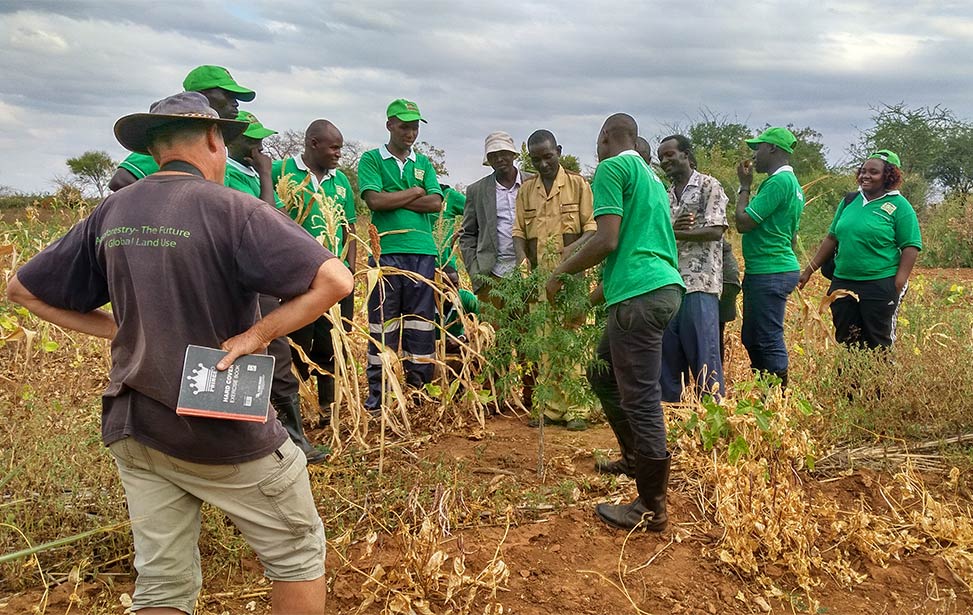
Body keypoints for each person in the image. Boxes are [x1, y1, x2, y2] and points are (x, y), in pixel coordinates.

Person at [7, 91, 354, 614]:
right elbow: (335, 279)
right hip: (220, 422)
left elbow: (22, 291)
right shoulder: (235, 208)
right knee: (298, 553)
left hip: (136, 422)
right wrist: (256, 336)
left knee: (163, 584)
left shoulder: (113, 210)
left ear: (154, 149)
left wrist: (118, 327)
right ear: (215, 141)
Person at [546, 113, 683, 531]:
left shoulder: (612, 167)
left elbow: (608, 240)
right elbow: (632, 252)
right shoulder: (650, 178)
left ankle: (650, 506)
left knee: (640, 398)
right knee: (601, 373)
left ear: (605, 137)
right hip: (658, 289)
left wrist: (560, 274)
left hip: (641, 298)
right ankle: (634, 458)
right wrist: (588, 302)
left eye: (598, 142)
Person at [224, 111, 326, 464]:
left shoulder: (247, 174)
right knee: (256, 355)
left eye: (261, 139)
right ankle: (265, 441)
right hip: (239, 280)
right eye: (251, 140)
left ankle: (291, 438)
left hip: (261, 280)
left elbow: (279, 218)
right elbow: (267, 220)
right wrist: (267, 174)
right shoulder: (227, 174)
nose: (259, 146)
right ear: (227, 140)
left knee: (277, 355)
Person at [357, 99, 443, 411]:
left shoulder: (424, 163)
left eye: (415, 126)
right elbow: (375, 201)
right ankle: (378, 397)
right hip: (387, 254)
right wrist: (416, 192)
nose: (410, 132)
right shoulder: (371, 159)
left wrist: (399, 197)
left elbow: (436, 203)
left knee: (422, 324)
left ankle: (418, 392)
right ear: (390, 125)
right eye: (405, 126)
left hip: (423, 252)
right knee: (384, 325)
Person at [273, 120, 358, 420]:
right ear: (312, 144)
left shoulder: (341, 182)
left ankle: (327, 408)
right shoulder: (281, 172)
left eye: (340, 148)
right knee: (295, 343)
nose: (338, 154)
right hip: (298, 277)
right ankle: (293, 407)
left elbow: (349, 227)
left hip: (335, 276)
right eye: (334, 147)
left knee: (332, 343)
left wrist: (352, 270)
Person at [513, 129, 597, 431]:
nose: (543, 164)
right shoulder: (526, 190)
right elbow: (519, 232)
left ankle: (577, 409)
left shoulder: (577, 185)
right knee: (544, 344)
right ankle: (550, 408)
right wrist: (523, 261)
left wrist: (569, 252)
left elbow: (592, 229)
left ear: (558, 151)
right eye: (536, 160)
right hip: (539, 279)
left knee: (572, 344)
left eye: (548, 157)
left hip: (572, 277)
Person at [798, 149, 921, 348]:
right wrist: (808, 271)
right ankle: (850, 379)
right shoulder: (850, 200)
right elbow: (831, 238)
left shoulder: (899, 206)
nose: (865, 176)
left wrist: (896, 285)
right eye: (863, 171)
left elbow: (911, 247)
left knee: (878, 343)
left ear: (888, 176)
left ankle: (878, 379)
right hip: (843, 283)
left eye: (873, 172)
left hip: (879, 283)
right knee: (847, 340)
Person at [657, 134, 727, 403]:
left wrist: (674, 233)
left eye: (670, 155)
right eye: (662, 157)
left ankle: (712, 424)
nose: (665, 161)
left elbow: (716, 230)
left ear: (686, 154)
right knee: (668, 359)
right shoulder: (665, 196)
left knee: (705, 360)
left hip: (700, 284)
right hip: (670, 283)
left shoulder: (709, 185)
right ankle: (673, 427)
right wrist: (673, 231)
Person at [108, 65, 255, 191]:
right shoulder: (177, 140)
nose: (235, 103)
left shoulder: (219, 150)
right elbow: (121, 180)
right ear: (199, 95)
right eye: (227, 95)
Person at [734, 127, 805, 388]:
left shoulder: (779, 182)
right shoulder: (792, 185)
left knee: (766, 338)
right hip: (771, 268)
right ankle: (766, 393)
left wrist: (744, 187)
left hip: (770, 271)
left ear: (773, 149)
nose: (755, 154)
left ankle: (777, 398)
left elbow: (743, 222)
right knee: (752, 337)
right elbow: (793, 237)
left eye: (759, 148)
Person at [459, 131, 525, 307]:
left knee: (528, 331)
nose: (500, 159)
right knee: (494, 332)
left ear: (513, 154)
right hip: (492, 275)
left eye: (503, 153)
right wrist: (476, 274)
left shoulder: (533, 182)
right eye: (494, 155)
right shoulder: (477, 190)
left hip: (528, 272)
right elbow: (467, 235)